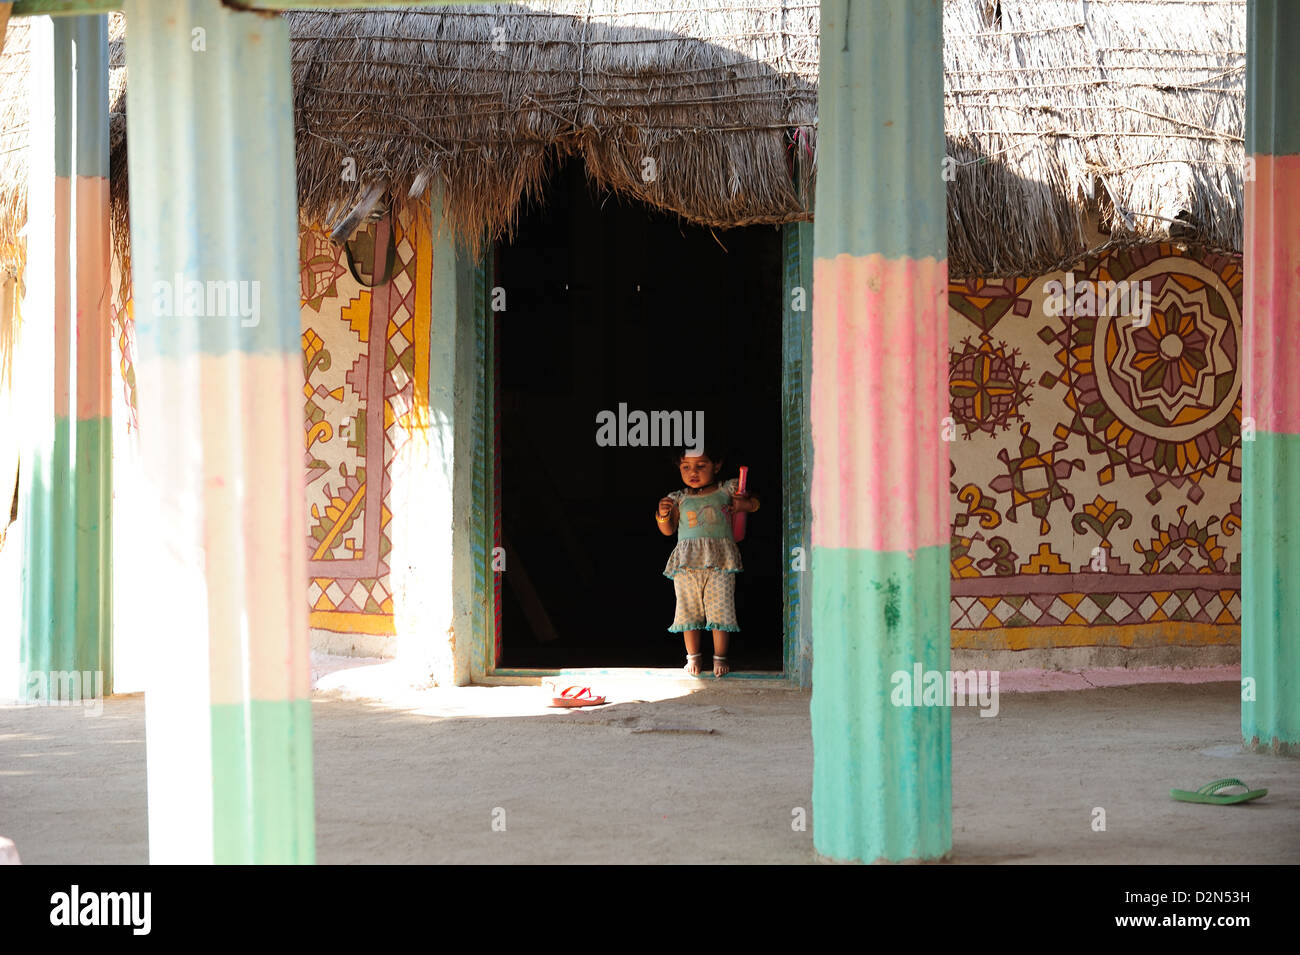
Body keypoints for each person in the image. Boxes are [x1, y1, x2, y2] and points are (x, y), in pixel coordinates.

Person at [655, 447, 759, 677]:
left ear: (717, 465)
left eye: (700, 465)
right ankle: (692, 656)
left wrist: (744, 505)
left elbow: (753, 502)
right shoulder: (677, 498)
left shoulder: (727, 489)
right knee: (687, 610)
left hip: (721, 561)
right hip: (687, 564)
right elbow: (668, 530)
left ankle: (720, 656)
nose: (693, 472)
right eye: (686, 466)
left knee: (721, 608)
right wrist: (662, 515)